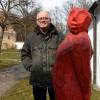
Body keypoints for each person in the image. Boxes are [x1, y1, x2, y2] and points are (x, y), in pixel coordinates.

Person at [21, 11, 64, 100]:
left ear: (50, 20)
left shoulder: (60, 36)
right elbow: (25, 54)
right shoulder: (31, 37)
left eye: (45, 18)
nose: (43, 20)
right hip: (37, 79)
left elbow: (67, 55)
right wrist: (30, 66)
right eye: (40, 18)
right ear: (37, 21)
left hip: (56, 79)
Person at [52, 7, 93, 100]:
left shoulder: (74, 38)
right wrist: (87, 92)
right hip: (69, 90)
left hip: (67, 88)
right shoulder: (80, 39)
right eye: (72, 15)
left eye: (80, 16)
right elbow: (83, 72)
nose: (74, 19)